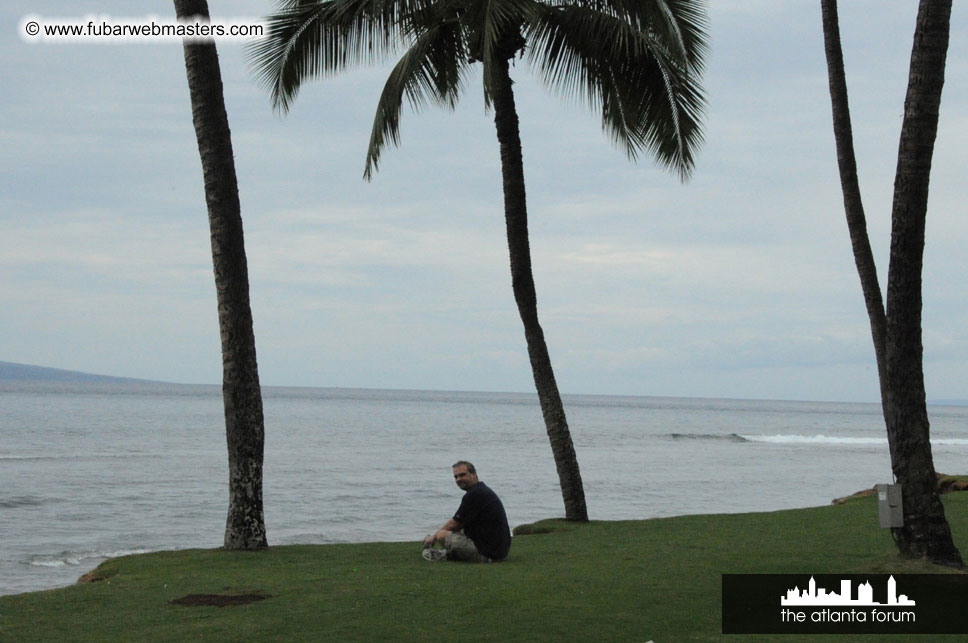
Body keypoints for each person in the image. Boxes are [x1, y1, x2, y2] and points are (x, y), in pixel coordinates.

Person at [422, 461, 511, 562]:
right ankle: (451, 554)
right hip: (499, 551)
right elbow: (460, 524)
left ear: (474, 475)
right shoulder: (482, 490)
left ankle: (449, 555)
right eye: (456, 477)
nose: (459, 479)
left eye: (462, 475)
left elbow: (454, 524)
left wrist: (433, 538)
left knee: (442, 535)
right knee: (459, 530)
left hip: (488, 553)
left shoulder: (475, 494)